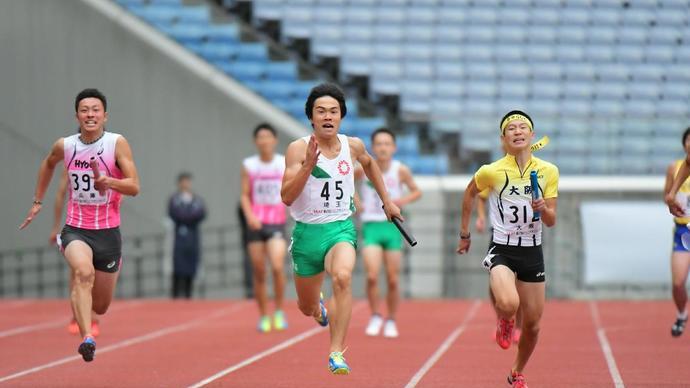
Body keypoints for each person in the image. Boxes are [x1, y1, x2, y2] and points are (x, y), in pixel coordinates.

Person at [281, 83, 402, 375]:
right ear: (311, 116)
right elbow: (286, 196)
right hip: (307, 234)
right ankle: (318, 309)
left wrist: (387, 201)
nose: (327, 116)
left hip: (340, 229)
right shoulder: (298, 149)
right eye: (321, 111)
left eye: (333, 111)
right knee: (305, 307)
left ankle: (336, 351)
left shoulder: (353, 146)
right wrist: (309, 165)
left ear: (341, 116)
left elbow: (371, 165)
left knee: (344, 277)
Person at [20, 88, 140, 362]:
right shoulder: (66, 146)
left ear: (105, 116)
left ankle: (92, 318)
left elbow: (135, 186)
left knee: (102, 304)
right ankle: (87, 337)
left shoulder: (116, 144)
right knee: (83, 272)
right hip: (76, 229)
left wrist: (109, 182)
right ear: (77, 115)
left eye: (95, 110)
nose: (90, 114)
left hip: (108, 232)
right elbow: (48, 164)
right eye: (84, 110)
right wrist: (38, 201)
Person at [456, 110, 559, 388]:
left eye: (522, 127)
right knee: (510, 303)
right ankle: (505, 320)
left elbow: (551, 221)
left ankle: (516, 372)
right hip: (502, 248)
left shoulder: (548, 171)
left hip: (532, 251)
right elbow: (469, 193)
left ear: (531, 135)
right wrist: (465, 233)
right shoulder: (491, 171)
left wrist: (543, 208)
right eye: (510, 128)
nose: (517, 131)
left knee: (534, 326)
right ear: (503, 138)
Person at [355, 128, 421, 338]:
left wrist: (402, 201)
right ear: (373, 147)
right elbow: (347, 181)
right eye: (379, 144)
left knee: (393, 279)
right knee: (372, 275)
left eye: (387, 144)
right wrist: (357, 202)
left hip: (393, 227)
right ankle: (375, 315)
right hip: (371, 226)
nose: (383, 148)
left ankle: (391, 318)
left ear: (393, 147)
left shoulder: (400, 170)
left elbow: (416, 191)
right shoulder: (364, 168)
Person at [240, 123, 289, 332]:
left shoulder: (282, 163)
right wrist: (250, 216)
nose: (264, 141)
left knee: (277, 266)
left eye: (268, 137)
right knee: (260, 272)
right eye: (260, 137)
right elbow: (244, 194)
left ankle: (278, 310)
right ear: (255, 141)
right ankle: (263, 315)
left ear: (275, 140)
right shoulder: (249, 165)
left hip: (276, 221)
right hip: (256, 223)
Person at [50, 171, 102, 337]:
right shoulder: (71, 160)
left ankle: (92, 315)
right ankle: (79, 316)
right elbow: (60, 194)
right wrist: (56, 226)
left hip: (101, 225)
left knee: (95, 271)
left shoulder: (106, 157)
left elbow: (119, 194)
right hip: (77, 225)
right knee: (78, 271)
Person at [663, 127, 690, 337]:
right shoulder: (676, 166)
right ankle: (682, 314)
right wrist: (672, 196)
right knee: (678, 282)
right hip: (684, 231)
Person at [168, 172, 206, 299]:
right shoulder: (174, 199)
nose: (185, 184)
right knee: (178, 267)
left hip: (192, 238)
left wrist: (186, 216)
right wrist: (188, 216)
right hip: (179, 238)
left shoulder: (196, 199)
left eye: (187, 181)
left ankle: (188, 296)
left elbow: (201, 213)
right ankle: (175, 296)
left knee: (191, 267)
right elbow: (174, 213)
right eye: (183, 181)